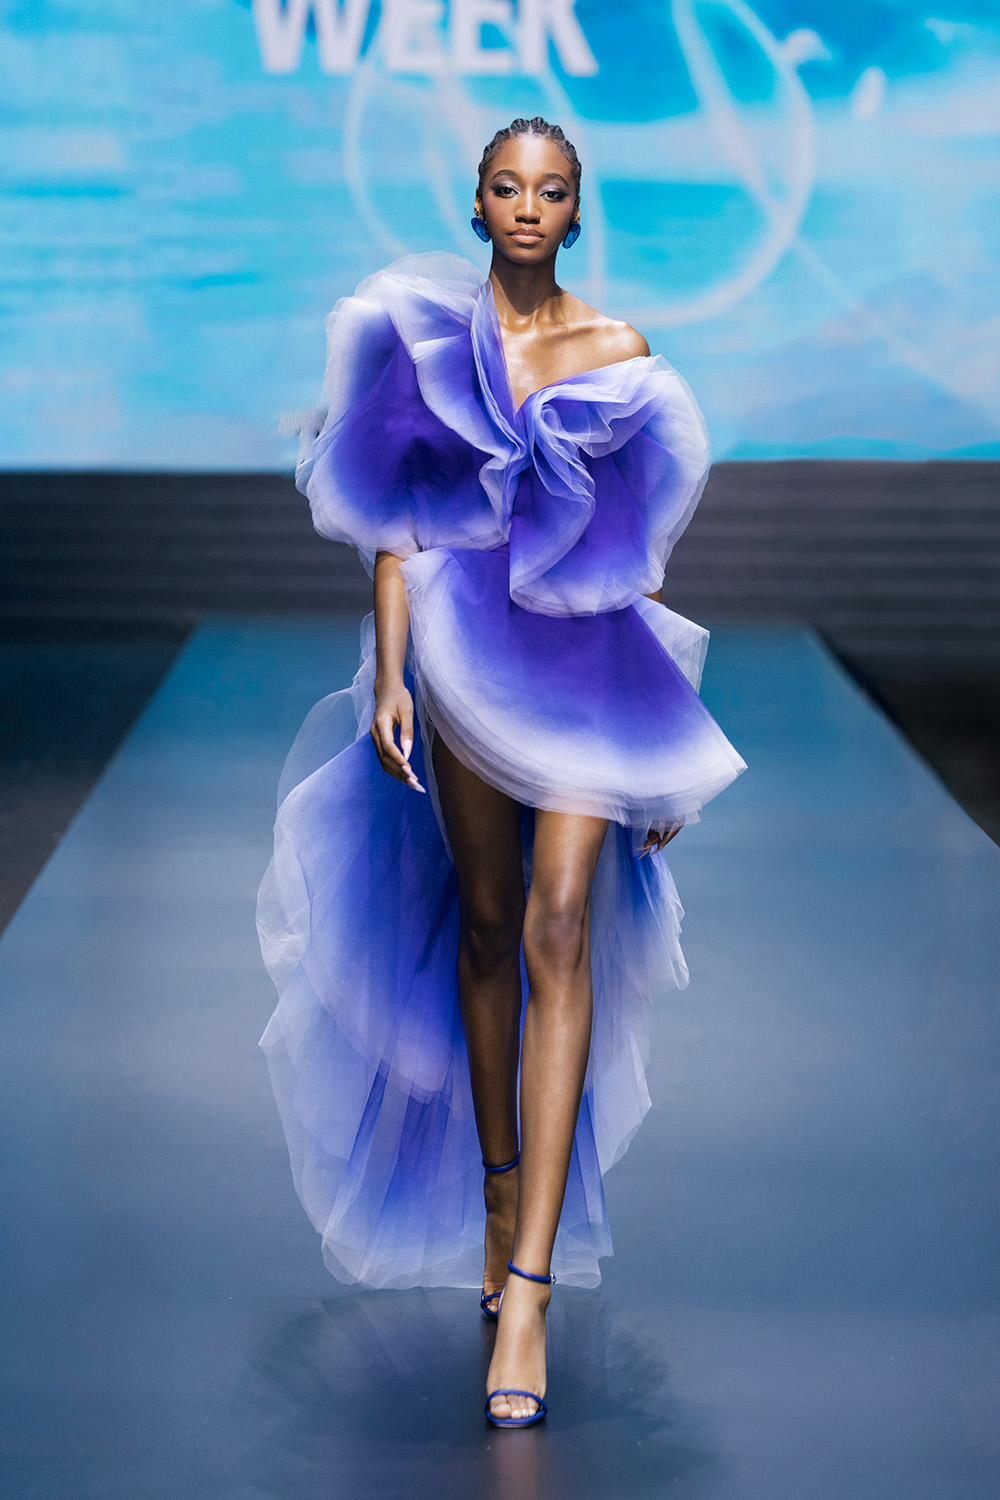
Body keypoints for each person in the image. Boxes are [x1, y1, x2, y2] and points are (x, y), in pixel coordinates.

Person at [256, 116, 745, 1430]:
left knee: (560, 923)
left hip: (585, 661)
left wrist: (661, 740)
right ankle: (498, 1188)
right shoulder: (425, 343)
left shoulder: (619, 353)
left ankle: (528, 1280)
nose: (529, 206)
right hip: (466, 652)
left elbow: (638, 555)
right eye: (509, 186)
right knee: (485, 925)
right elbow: (398, 522)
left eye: (553, 190)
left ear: (576, 213)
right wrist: (394, 674)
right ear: (477, 203)